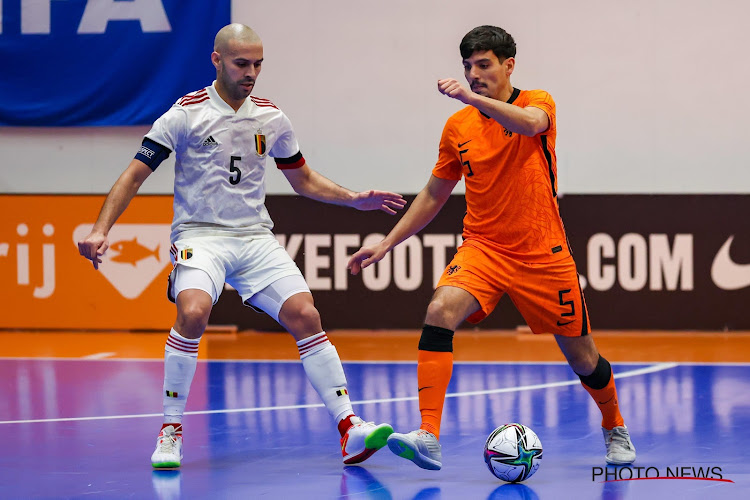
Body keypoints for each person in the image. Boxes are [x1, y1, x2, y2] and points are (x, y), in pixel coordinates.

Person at [78, 23, 405, 469]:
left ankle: (349, 428)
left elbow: (303, 180)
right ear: (217, 61)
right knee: (193, 311)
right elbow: (134, 174)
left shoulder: (272, 117)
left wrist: (354, 199)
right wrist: (101, 229)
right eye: (242, 63)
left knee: (306, 315)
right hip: (199, 235)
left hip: (254, 237)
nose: (251, 73)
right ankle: (171, 430)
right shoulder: (184, 114)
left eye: (258, 65)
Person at [347, 25, 636, 470]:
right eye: (468, 67)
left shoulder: (537, 102)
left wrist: (470, 97)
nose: (475, 74)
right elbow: (434, 194)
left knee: (583, 358)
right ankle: (428, 435)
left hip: (543, 253)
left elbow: (530, 124)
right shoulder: (457, 127)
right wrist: (387, 243)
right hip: (484, 248)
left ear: (508, 66)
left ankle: (614, 425)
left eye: (483, 65)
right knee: (440, 309)